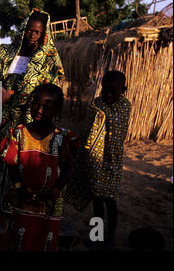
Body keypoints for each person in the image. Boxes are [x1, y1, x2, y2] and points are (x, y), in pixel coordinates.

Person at [0, 8, 64, 203]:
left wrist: (15, 94)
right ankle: (3, 204)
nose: (32, 35)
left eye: (37, 32)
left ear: (44, 33)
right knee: (6, 158)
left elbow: (52, 90)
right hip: (7, 120)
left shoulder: (47, 58)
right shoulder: (5, 53)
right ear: (23, 28)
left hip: (33, 123)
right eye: (29, 30)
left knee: (26, 163)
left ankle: (23, 206)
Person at [0, 84, 79, 251]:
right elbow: (11, 162)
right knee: (22, 239)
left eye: (46, 107)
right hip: (23, 199)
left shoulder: (63, 137)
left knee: (46, 240)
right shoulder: (19, 133)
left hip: (51, 202)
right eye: (35, 104)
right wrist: (19, 187)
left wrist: (54, 191)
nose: (39, 110)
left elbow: (69, 168)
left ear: (57, 110)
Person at [65, 70, 131, 250]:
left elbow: (117, 133)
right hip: (95, 159)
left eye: (114, 91)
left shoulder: (124, 106)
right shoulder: (97, 103)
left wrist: (102, 116)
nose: (108, 95)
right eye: (105, 90)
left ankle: (110, 238)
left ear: (123, 90)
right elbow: (88, 130)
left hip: (112, 162)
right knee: (96, 199)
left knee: (110, 200)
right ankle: (97, 235)